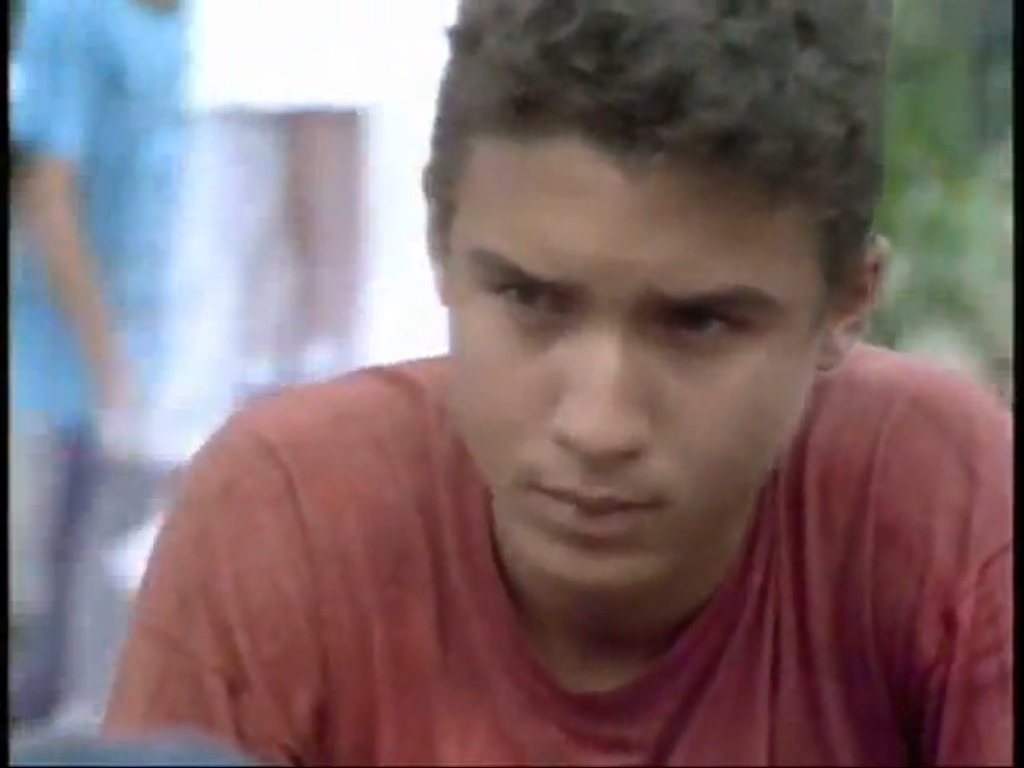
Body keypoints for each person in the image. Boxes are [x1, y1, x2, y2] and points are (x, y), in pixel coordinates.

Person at [104, 1, 1012, 765]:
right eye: (530, 300)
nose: (599, 424)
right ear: (441, 248)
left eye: (699, 324)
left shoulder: (940, 503)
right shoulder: (285, 521)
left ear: (846, 304)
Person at [10, 0, 186, 726]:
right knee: (74, 652)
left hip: (173, 365)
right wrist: (109, 367)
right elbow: (46, 193)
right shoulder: (71, 16)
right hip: (80, 375)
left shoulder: (202, 25)